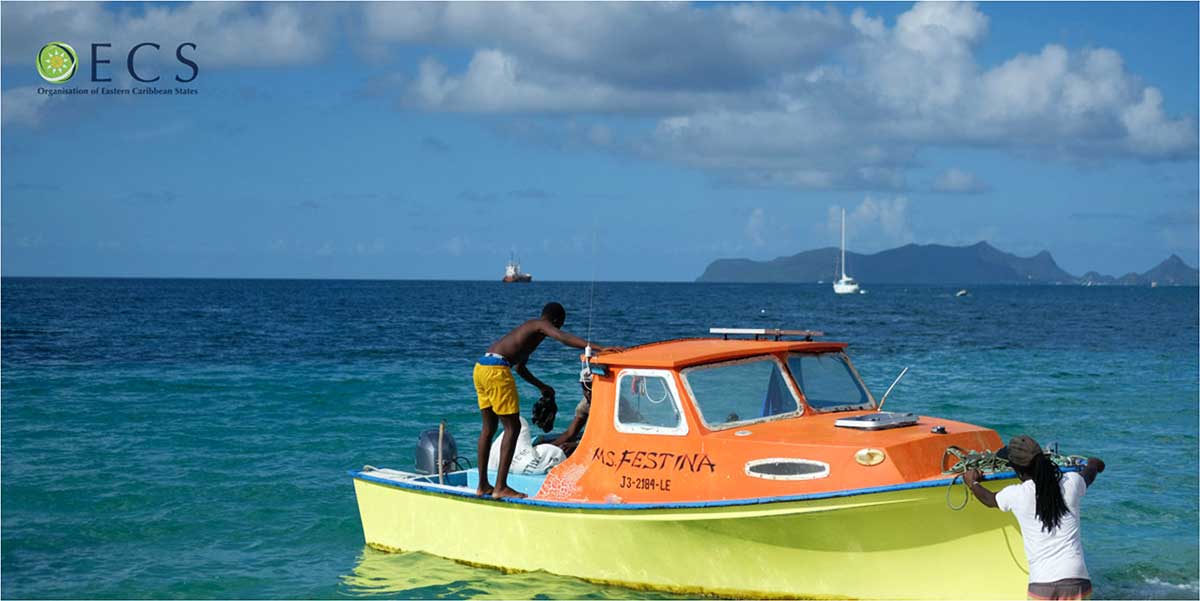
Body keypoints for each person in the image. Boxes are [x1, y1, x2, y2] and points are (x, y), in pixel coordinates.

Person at [474, 302, 620, 499]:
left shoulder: (529, 335)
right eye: (558, 325)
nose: (556, 329)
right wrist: (598, 348)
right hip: (497, 370)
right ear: (556, 321)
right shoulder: (538, 325)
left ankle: (483, 485)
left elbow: (520, 368)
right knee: (513, 428)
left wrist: (543, 387)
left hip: (482, 366)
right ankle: (500, 487)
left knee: (488, 429)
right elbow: (562, 338)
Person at [963, 435, 1106, 601]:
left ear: (1017, 470)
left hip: (1042, 584)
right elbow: (1091, 471)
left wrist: (972, 482)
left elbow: (989, 499)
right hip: (1077, 580)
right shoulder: (1071, 482)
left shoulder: (1017, 494)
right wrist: (1094, 463)